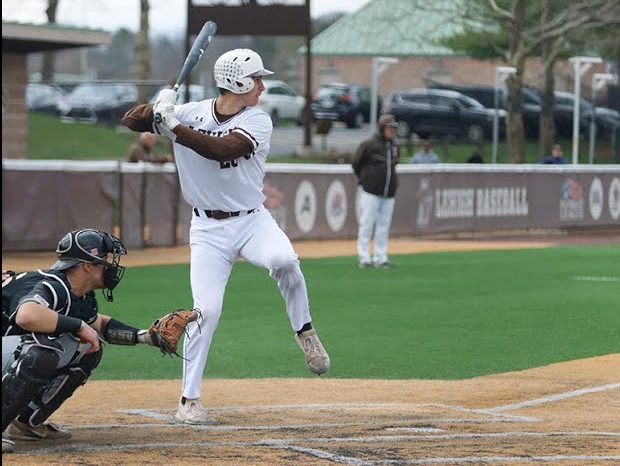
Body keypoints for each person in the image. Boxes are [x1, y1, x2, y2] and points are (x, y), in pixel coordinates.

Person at [122, 48, 330, 425]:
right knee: (206, 312)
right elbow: (128, 120)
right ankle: (189, 400)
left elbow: (222, 150)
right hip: (207, 229)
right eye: (257, 80)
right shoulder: (190, 112)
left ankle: (304, 330)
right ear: (237, 82)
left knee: (284, 261)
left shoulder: (258, 120)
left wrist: (173, 127)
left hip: (252, 220)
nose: (262, 86)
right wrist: (157, 107)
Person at [1, 229, 169, 454]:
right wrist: (79, 326)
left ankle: (24, 423)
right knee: (44, 350)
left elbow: (98, 325)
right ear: (87, 265)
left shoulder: (78, 293)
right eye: (105, 261)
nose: (111, 267)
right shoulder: (52, 284)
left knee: (87, 347)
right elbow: (27, 315)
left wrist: (145, 337)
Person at [351, 114, 400, 269]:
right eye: (389, 127)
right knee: (367, 224)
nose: (392, 131)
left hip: (388, 193)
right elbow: (355, 163)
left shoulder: (394, 146)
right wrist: (365, 179)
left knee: (384, 226)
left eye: (394, 128)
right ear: (382, 128)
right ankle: (364, 257)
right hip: (370, 192)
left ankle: (381, 257)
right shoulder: (369, 144)